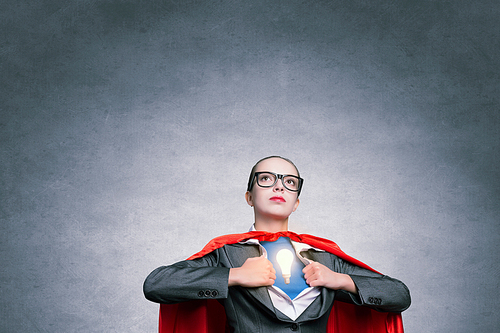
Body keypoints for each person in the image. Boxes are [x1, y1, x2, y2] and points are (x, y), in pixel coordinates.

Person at [144, 156, 411, 333]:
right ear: (249, 197)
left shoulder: (326, 257)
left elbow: (399, 295)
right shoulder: (225, 254)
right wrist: (235, 276)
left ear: (296, 202)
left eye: (290, 182)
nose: (279, 187)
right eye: (266, 179)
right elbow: (157, 284)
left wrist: (341, 280)